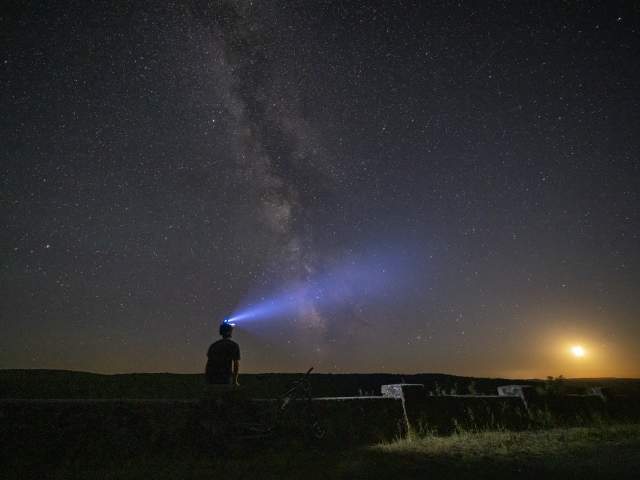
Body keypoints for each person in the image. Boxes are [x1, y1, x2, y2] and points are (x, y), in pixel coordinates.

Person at [205, 321, 240, 386]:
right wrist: (235, 381)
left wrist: (207, 380)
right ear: (230, 332)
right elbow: (236, 364)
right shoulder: (233, 345)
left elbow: (208, 364)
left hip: (213, 379)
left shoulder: (213, 345)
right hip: (226, 379)